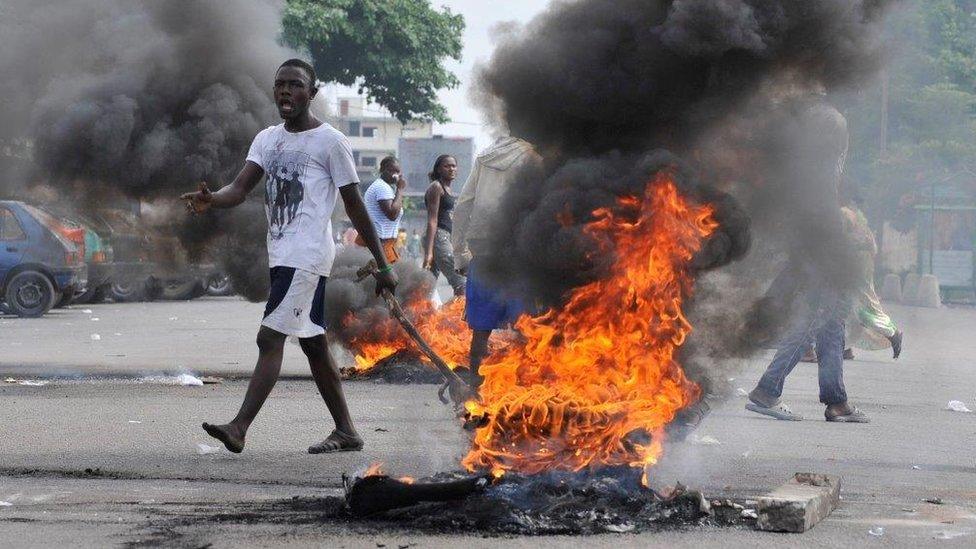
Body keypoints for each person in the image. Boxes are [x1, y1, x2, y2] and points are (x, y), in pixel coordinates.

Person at [181, 58, 398, 455]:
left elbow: (354, 205)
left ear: (311, 94)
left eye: (295, 85)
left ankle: (240, 427)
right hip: (281, 254)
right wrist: (212, 200)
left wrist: (383, 264)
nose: (285, 91)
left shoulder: (331, 142)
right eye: (280, 84)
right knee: (314, 346)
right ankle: (347, 431)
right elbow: (240, 188)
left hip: (308, 256)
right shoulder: (267, 139)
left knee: (270, 337)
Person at [745, 100, 868, 424]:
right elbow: (820, 211)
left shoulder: (805, 165)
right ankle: (767, 390)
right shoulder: (820, 167)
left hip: (813, 246)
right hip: (820, 248)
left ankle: (836, 401)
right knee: (813, 319)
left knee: (832, 320)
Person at [452, 137, 537, 384]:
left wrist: (460, 253)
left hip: (484, 255)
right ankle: (526, 388)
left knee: (480, 330)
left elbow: (462, 206)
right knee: (525, 329)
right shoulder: (533, 158)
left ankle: (474, 385)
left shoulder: (484, 157)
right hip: (518, 255)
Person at [842, 201, 903, 359]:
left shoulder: (845, 213)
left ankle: (892, 333)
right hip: (855, 264)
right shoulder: (855, 214)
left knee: (859, 310)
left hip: (854, 266)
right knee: (849, 310)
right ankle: (844, 347)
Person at [423, 154, 466, 296]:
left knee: (426, 285)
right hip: (438, 238)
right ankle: (459, 317)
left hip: (445, 238)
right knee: (460, 282)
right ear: (439, 169)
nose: (451, 169)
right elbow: (432, 220)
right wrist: (429, 253)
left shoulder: (448, 189)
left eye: (454, 166)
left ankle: (417, 314)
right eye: (447, 166)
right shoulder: (436, 187)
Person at [360, 155, 406, 263]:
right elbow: (392, 214)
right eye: (391, 171)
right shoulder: (382, 187)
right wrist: (400, 189)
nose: (395, 175)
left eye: (397, 171)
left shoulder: (385, 187)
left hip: (385, 243)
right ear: (382, 170)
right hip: (381, 242)